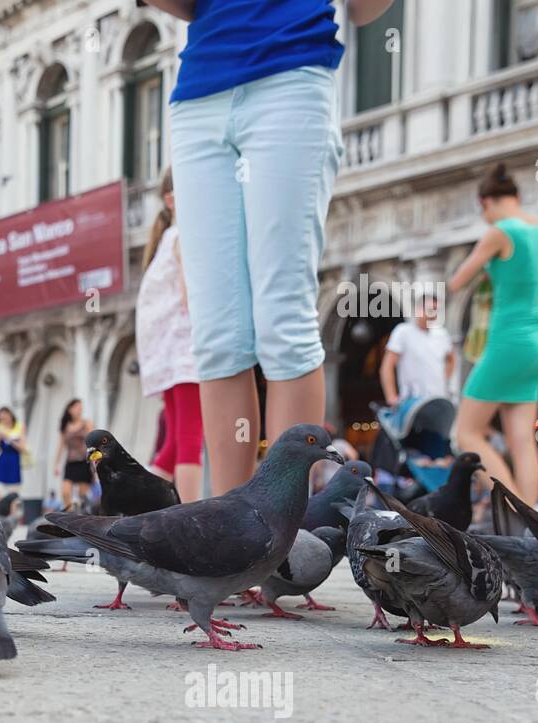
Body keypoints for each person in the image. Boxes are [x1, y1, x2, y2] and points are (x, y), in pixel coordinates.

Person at [145, 0, 396, 495]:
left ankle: (278, 541)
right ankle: (233, 546)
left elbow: (366, 9)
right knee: (217, 339)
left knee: (284, 322)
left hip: (292, 75)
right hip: (198, 90)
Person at [450, 163, 538, 505]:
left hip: (508, 343)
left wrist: (490, 270)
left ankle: (509, 505)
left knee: (466, 433)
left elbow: (456, 281)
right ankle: (532, 525)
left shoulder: (500, 232)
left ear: (486, 202)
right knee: (522, 440)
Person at [136, 166, 203, 503]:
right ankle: (193, 517)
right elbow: (190, 291)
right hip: (184, 348)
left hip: (167, 352)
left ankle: (132, 504)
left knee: (175, 442)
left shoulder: (166, 239)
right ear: (172, 199)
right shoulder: (182, 236)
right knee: (190, 440)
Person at [380, 299, 454, 405]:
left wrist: (443, 379)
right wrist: (391, 397)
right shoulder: (403, 332)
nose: (433, 314)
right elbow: (387, 366)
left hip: (439, 399)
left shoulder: (442, 334)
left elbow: (451, 359)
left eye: (436, 311)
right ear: (418, 310)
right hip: (411, 401)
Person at [52, 399, 93, 509]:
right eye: (76, 407)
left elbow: (93, 441)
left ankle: (81, 517)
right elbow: (61, 446)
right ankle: (69, 515)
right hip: (71, 462)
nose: (79, 410)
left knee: (82, 495)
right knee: (65, 491)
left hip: (85, 462)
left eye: (80, 407)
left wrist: (96, 462)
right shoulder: (66, 426)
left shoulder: (87, 423)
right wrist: (56, 464)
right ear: (69, 409)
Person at [0, 407, 25, 503]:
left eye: (5, 417)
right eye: (1, 418)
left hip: (14, 462)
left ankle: (12, 516)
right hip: (2, 462)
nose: (3, 420)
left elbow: (22, 448)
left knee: (13, 495)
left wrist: (8, 438)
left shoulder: (19, 427)